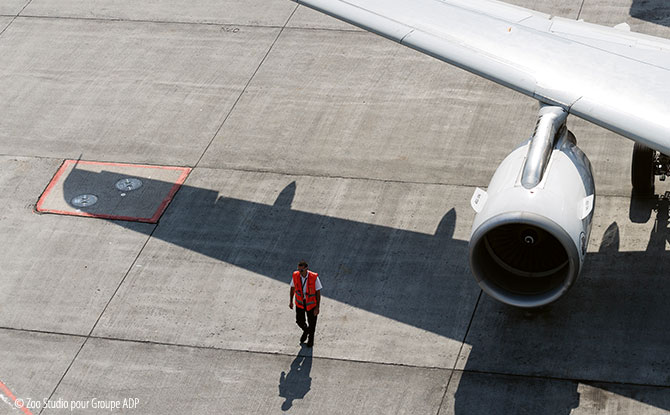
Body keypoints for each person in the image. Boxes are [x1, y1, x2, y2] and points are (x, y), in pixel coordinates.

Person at [289, 260, 322, 347]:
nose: (299, 272)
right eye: (298, 270)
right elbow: (292, 288)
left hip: (311, 304)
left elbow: (318, 293)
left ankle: (311, 340)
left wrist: (317, 307)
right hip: (300, 302)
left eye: (301, 270)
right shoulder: (296, 275)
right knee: (299, 321)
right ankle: (306, 330)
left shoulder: (313, 277)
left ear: (306, 269)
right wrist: (291, 301)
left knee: (312, 323)